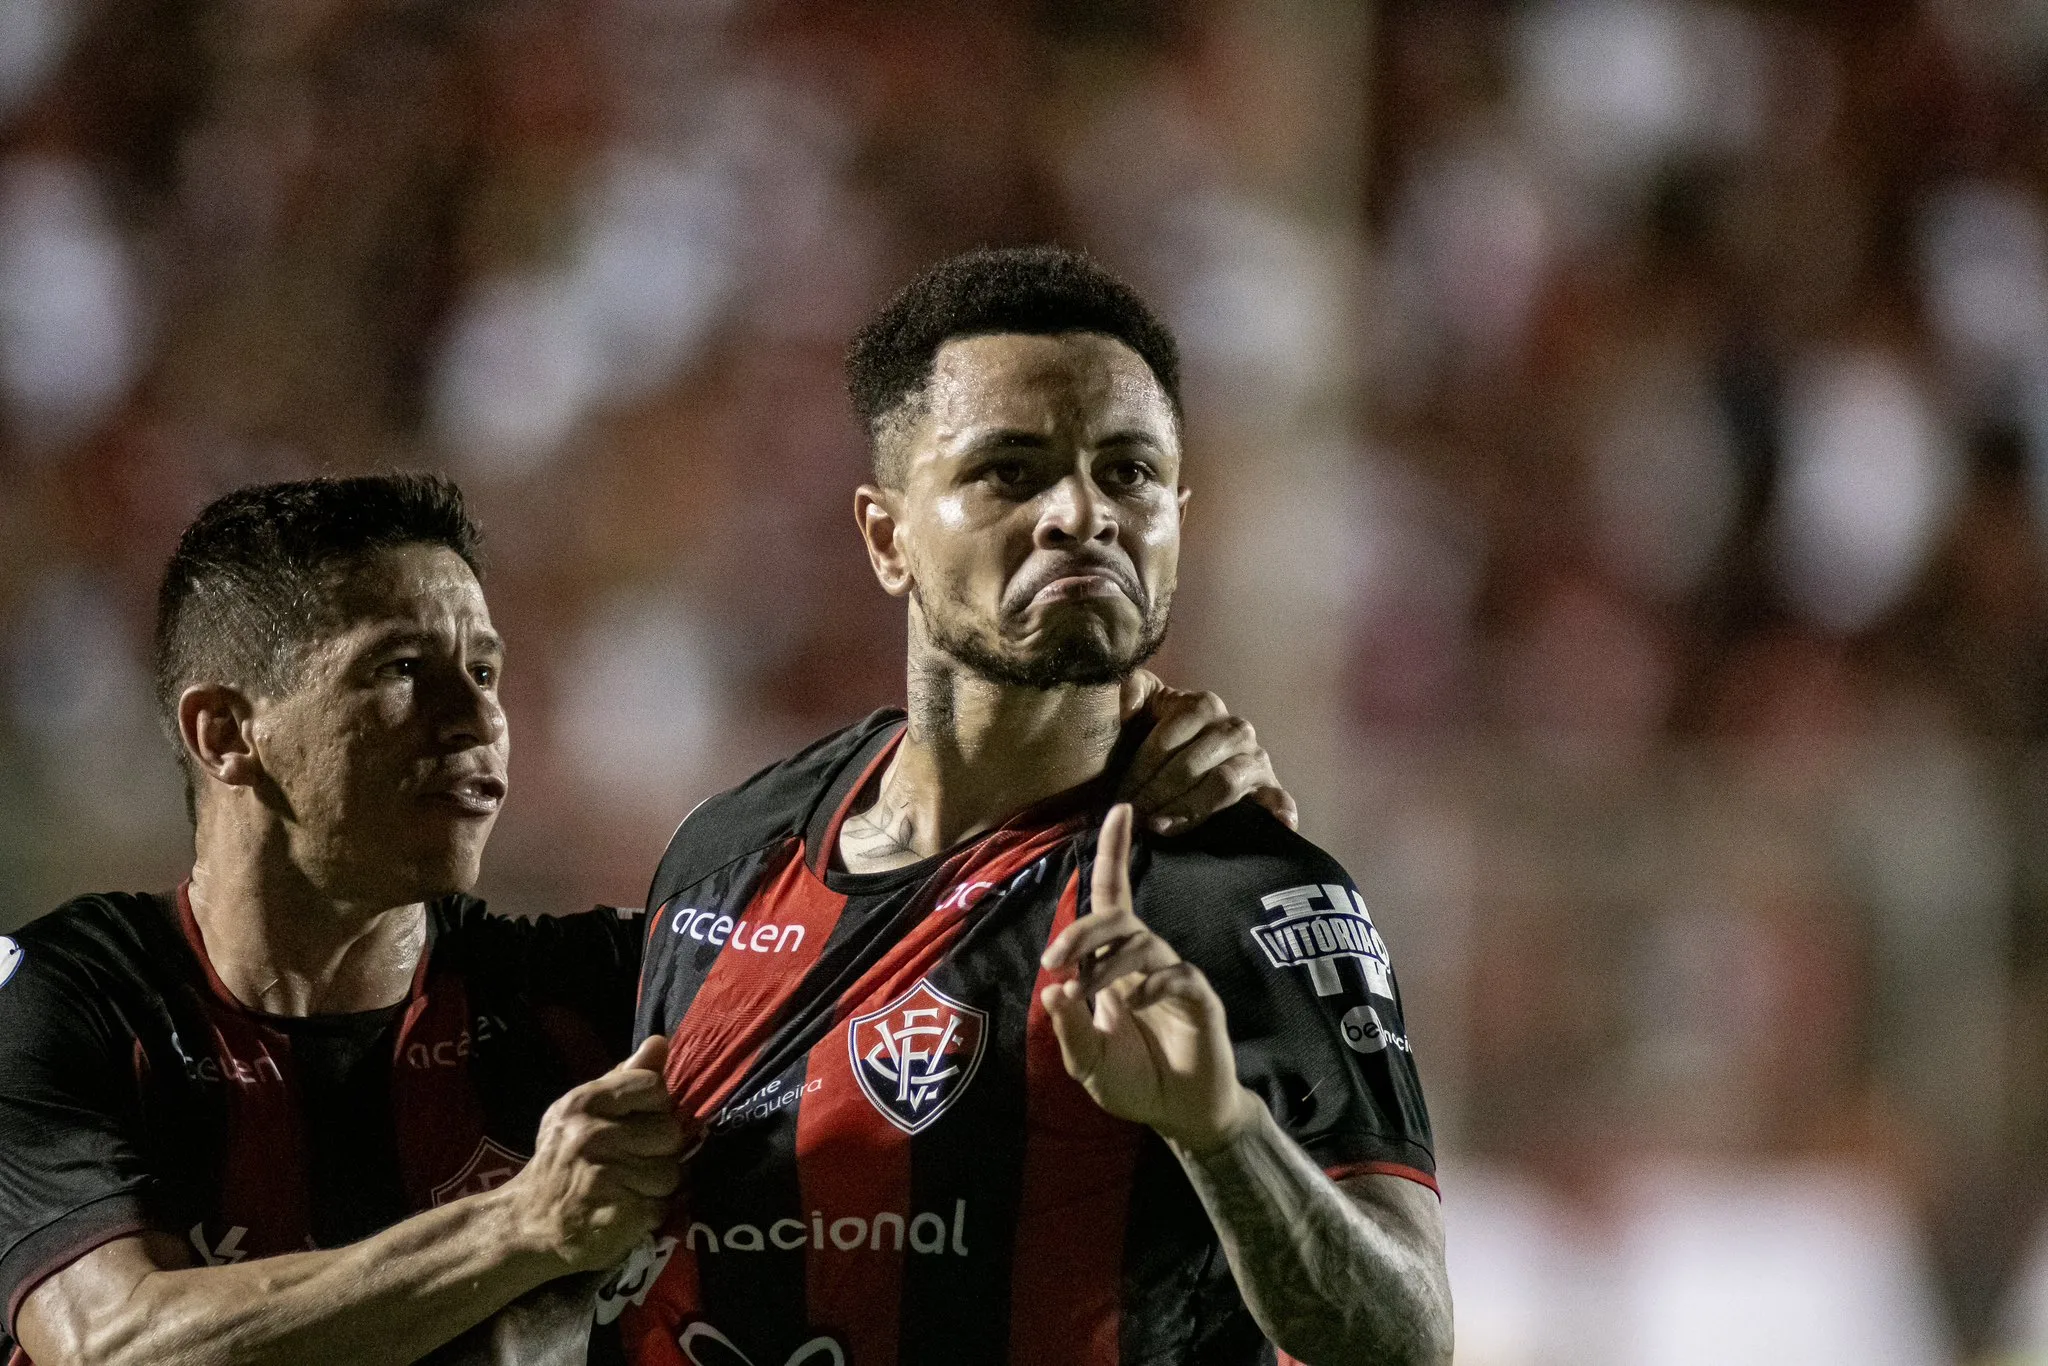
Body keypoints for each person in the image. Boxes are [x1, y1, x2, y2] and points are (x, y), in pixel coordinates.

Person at [0, 474, 1289, 1366]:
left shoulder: (603, 998)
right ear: (226, 733)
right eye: (402, 672)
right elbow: (115, 1341)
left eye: (487, 669)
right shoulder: (66, 997)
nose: (477, 717)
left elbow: (941, 931)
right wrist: (519, 1228)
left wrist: (1141, 766)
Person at [613, 247, 1452, 1366]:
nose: (1080, 513)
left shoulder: (1238, 894)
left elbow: (1404, 1338)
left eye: (1128, 472)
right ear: (885, 537)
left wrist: (1220, 1131)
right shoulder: (725, 854)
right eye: (1010, 472)